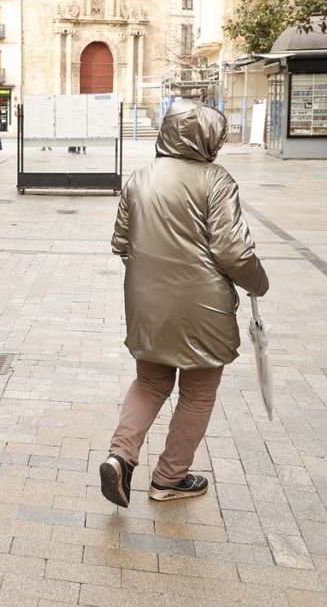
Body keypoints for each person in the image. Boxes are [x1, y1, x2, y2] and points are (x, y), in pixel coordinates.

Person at [99, 100, 269, 508]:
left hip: (147, 305)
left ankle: (120, 456)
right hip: (203, 307)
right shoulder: (216, 180)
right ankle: (169, 479)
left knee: (150, 383)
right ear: (207, 137)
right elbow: (233, 251)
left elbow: (121, 243)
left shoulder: (140, 178)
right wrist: (258, 284)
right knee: (197, 394)